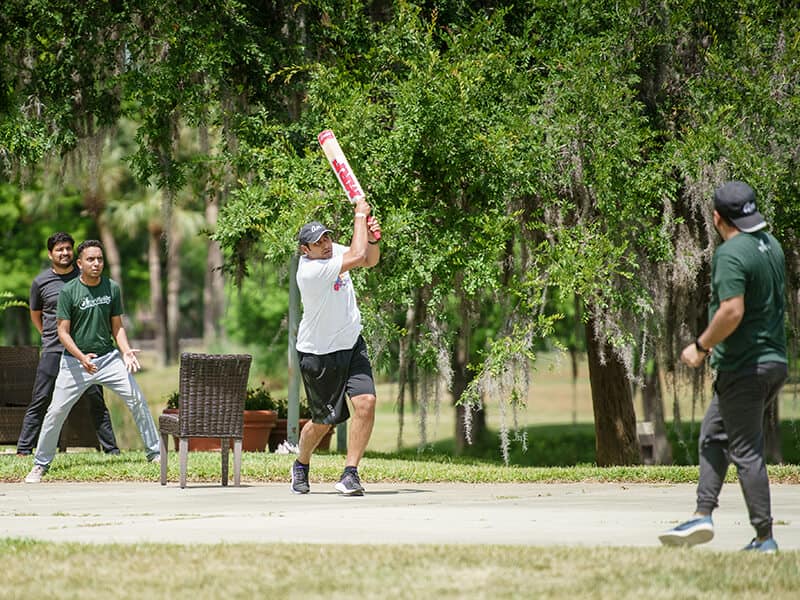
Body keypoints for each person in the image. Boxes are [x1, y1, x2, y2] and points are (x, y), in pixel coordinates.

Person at [659, 181, 787, 553]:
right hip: (773, 361)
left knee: (746, 449)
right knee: (714, 435)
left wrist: (701, 346)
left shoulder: (732, 253)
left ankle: (764, 539)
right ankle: (702, 513)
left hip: (746, 367)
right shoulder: (772, 245)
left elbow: (732, 310)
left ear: (716, 217)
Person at [25, 240, 160, 483]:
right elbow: (62, 333)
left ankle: (156, 454)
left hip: (108, 359)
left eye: (99, 259)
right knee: (55, 412)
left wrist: (126, 351)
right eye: (90, 259)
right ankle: (40, 464)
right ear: (80, 263)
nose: (96, 263)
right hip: (74, 363)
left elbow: (117, 326)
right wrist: (81, 357)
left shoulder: (112, 287)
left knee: (137, 400)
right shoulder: (69, 292)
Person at [290, 198, 382, 496]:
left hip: (351, 344)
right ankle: (301, 464)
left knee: (366, 403)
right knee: (322, 423)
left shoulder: (336, 251)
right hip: (319, 354)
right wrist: (360, 213)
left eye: (327, 237)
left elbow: (368, 259)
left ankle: (350, 473)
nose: (326, 244)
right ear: (306, 250)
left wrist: (371, 238)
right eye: (318, 242)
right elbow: (356, 255)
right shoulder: (309, 272)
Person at [17, 232, 119, 456]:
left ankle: (111, 450)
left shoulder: (84, 276)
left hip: (85, 352)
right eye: (59, 249)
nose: (64, 253)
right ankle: (24, 449)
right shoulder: (40, 282)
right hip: (54, 349)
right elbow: (36, 314)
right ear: (50, 254)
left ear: (75, 253)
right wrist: (49, 336)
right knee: (41, 399)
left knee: (96, 401)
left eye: (68, 249)